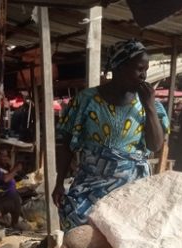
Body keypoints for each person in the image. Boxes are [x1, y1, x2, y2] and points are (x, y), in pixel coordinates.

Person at [52, 39, 169, 230]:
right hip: (90, 186)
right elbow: (65, 143)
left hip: (131, 191)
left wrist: (149, 106)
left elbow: (155, 145)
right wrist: (59, 183)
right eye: (139, 69)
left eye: (146, 69)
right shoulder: (86, 100)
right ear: (120, 67)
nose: (144, 75)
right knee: (77, 230)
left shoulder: (150, 105)